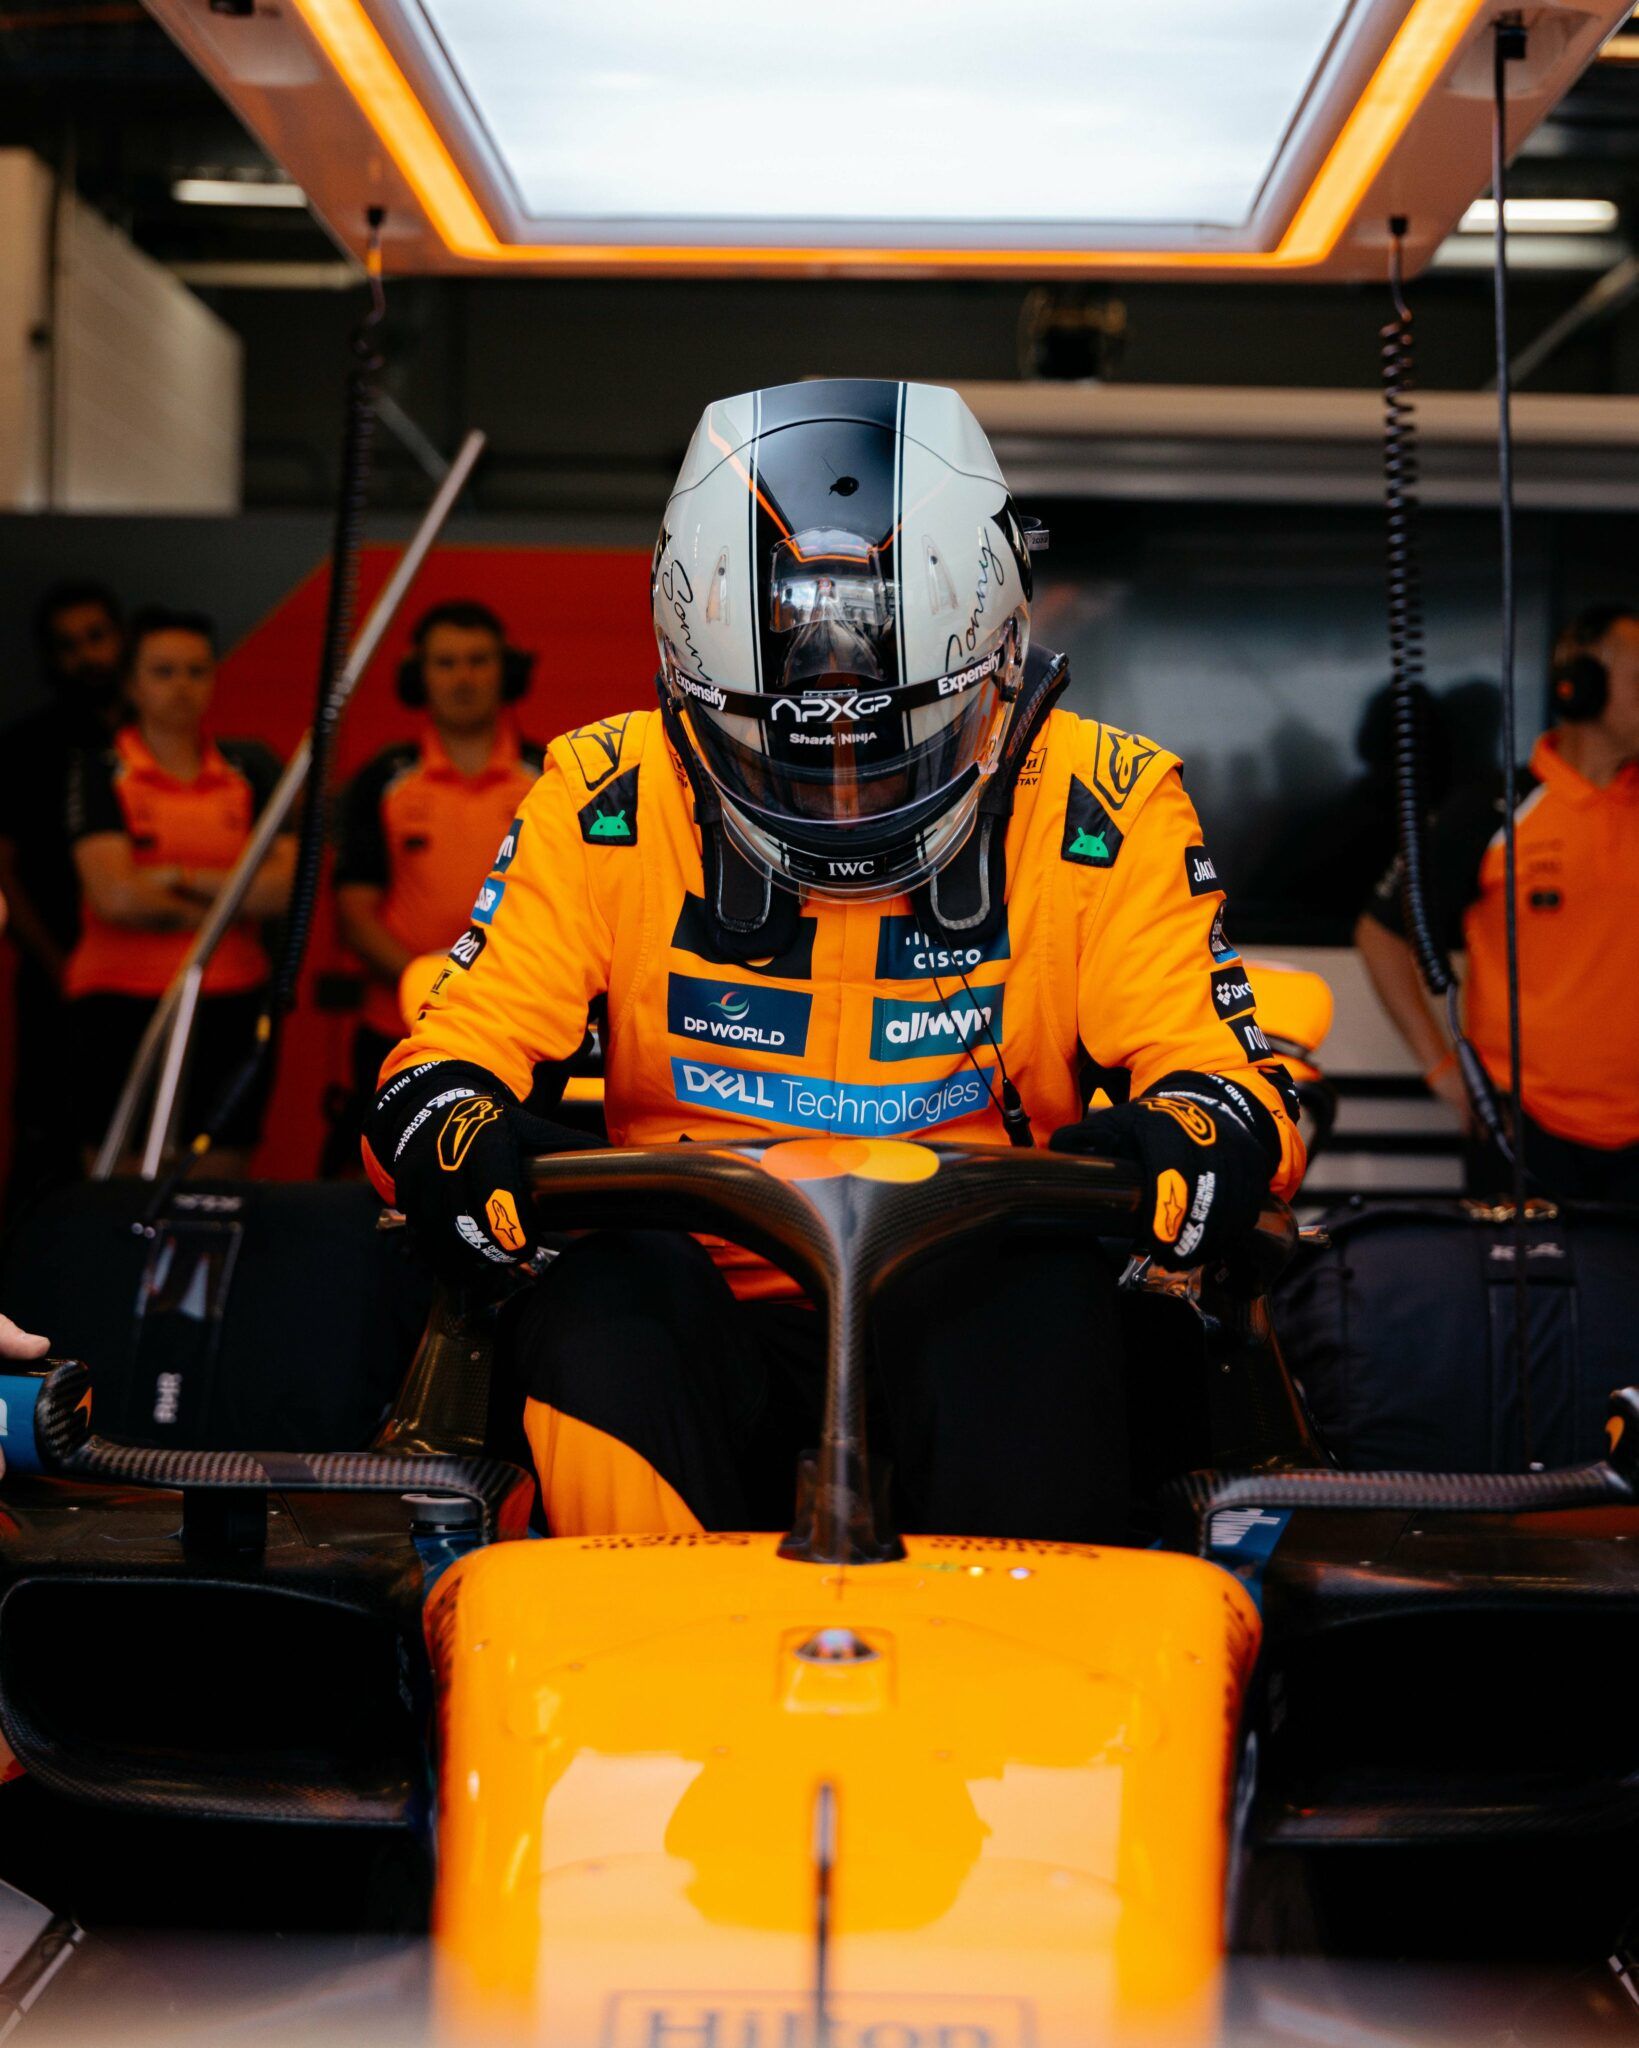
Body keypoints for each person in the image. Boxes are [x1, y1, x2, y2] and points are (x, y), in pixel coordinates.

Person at [364, 381, 1306, 1545]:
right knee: (604, 1295)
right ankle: (642, 1642)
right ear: (687, 692)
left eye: (894, 748)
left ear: (1000, 665)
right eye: (789, 757)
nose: (847, 795)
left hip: (977, 1301)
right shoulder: (606, 793)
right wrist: (447, 1117)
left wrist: (1203, 1125)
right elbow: (451, 1049)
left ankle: (1016, 1643)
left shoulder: (1100, 800)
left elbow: (1224, 1076)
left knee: (1035, 1289)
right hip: (697, 1309)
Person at [1356, 604, 1639, 1202]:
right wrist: (1445, 1072)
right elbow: (1381, 935)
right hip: (1527, 1132)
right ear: (1581, 686)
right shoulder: (1493, 810)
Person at [64, 608, 295, 1175]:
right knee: (117, 1177)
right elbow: (116, 898)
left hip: (232, 994)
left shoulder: (251, 768)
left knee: (217, 1177)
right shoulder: (102, 769)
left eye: (196, 670)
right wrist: (233, 901)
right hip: (121, 998)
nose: (182, 686)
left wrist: (178, 878)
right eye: (163, 671)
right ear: (132, 683)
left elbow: (283, 891)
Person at [330, 602, 545, 1170]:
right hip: (397, 1029)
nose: (463, 677)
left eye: (478, 660)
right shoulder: (383, 779)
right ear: (417, 676)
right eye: (446, 663)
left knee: (511, 1177)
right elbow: (354, 912)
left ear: (507, 671)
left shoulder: (551, 775)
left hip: (520, 1028)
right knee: (388, 1181)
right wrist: (428, 991)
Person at [0, 581, 126, 1210]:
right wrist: (57, 965)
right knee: (49, 1145)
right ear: (50, 658)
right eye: (69, 645)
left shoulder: (152, 737)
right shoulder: (26, 747)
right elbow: (5, 869)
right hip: (57, 977)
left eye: (96, 638)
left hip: (151, 982)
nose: (87, 657)